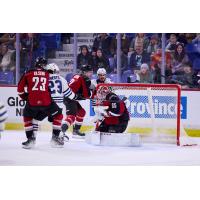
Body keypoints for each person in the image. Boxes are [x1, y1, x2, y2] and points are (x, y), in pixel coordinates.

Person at [17, 57, 64, 149]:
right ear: (45, 66)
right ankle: (55, 139)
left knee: (27, 117)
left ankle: (31, 139)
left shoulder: (28, 73)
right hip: (47, 102)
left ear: (36, 64)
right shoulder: (48, 74)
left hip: (32, 102)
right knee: (59, 115)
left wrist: (27, 98)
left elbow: (20, 90)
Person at [32, 63, 77, 141]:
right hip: (58, 106)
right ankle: (57, 137)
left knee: (35, 120)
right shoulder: (62, 79)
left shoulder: (43, 79)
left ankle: (32, 139)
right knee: (56, 120)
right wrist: (77, 97)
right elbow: (69, 94)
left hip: (45, 104)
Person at [61, 65, 93, 138]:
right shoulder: (81, 79)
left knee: (81, 112)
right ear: (84, 72)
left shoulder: (78, 77)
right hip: (69, 98)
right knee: (71, 117)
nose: (90, 74)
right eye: (89, 72)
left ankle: (76, 130)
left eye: (91, 72)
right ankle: (60, 132)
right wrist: (88, 94)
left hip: (71, 98)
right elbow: (86, 95)